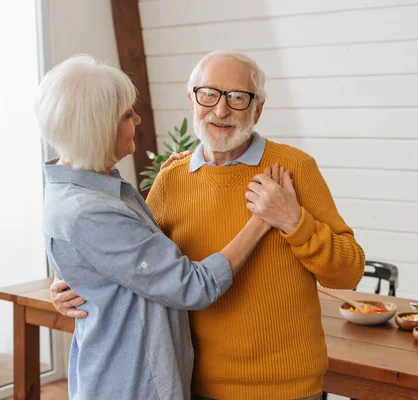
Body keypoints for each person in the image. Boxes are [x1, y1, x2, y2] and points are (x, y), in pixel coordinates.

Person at [53, 51, 366, 399]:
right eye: (209, 94)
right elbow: (141, 261)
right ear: (192, 100)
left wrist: (294, 221)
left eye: (237, 97)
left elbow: (348, 273)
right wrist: (73, 280)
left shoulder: (295, 168)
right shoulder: (171, 178)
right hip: (190, 385)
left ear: (257, 109)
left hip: (285, 389)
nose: (221, 110)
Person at [38, 54, 282, 400]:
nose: (137, 119)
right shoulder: (89, 211)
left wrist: (83, 278)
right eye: (126, 115)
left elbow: (125, 254)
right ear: (97, 128)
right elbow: (193, 286)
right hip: (134, 386)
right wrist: (261, 220)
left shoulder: (87, 188)